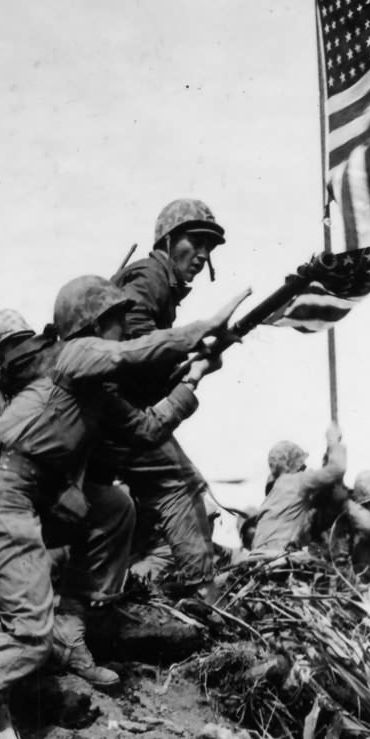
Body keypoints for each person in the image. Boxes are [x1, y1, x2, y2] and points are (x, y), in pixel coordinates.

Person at [0, 275, 247, 739]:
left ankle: (71, 624)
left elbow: (148, 429)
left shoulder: (96, 392)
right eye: (114, 321)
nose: (122, 330)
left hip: (35, 494)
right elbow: (134, 354)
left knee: (113, 507)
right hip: (4, 495)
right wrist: (202, 329)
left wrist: (192, 377)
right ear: (89, 327)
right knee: (26, 635)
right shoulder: (73, 356)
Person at [96, 199, 229, 590]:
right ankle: (201, 592)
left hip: (110, 414)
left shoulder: (157, 282)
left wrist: (186, 363)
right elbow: (134, 343)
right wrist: (187, 356)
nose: (203, 255)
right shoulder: (151, 277)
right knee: (182, 485)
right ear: (169, 240)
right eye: (196, 241)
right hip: (118, 418)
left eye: (211, 247)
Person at [247, 423, 348, 553]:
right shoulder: (297, 481)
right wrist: (333, 440)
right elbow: (337, 469)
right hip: (277, 556)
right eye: (301, 464)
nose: (304, 467)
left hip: (259, 556)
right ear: (294, 464)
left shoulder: (276, 490)